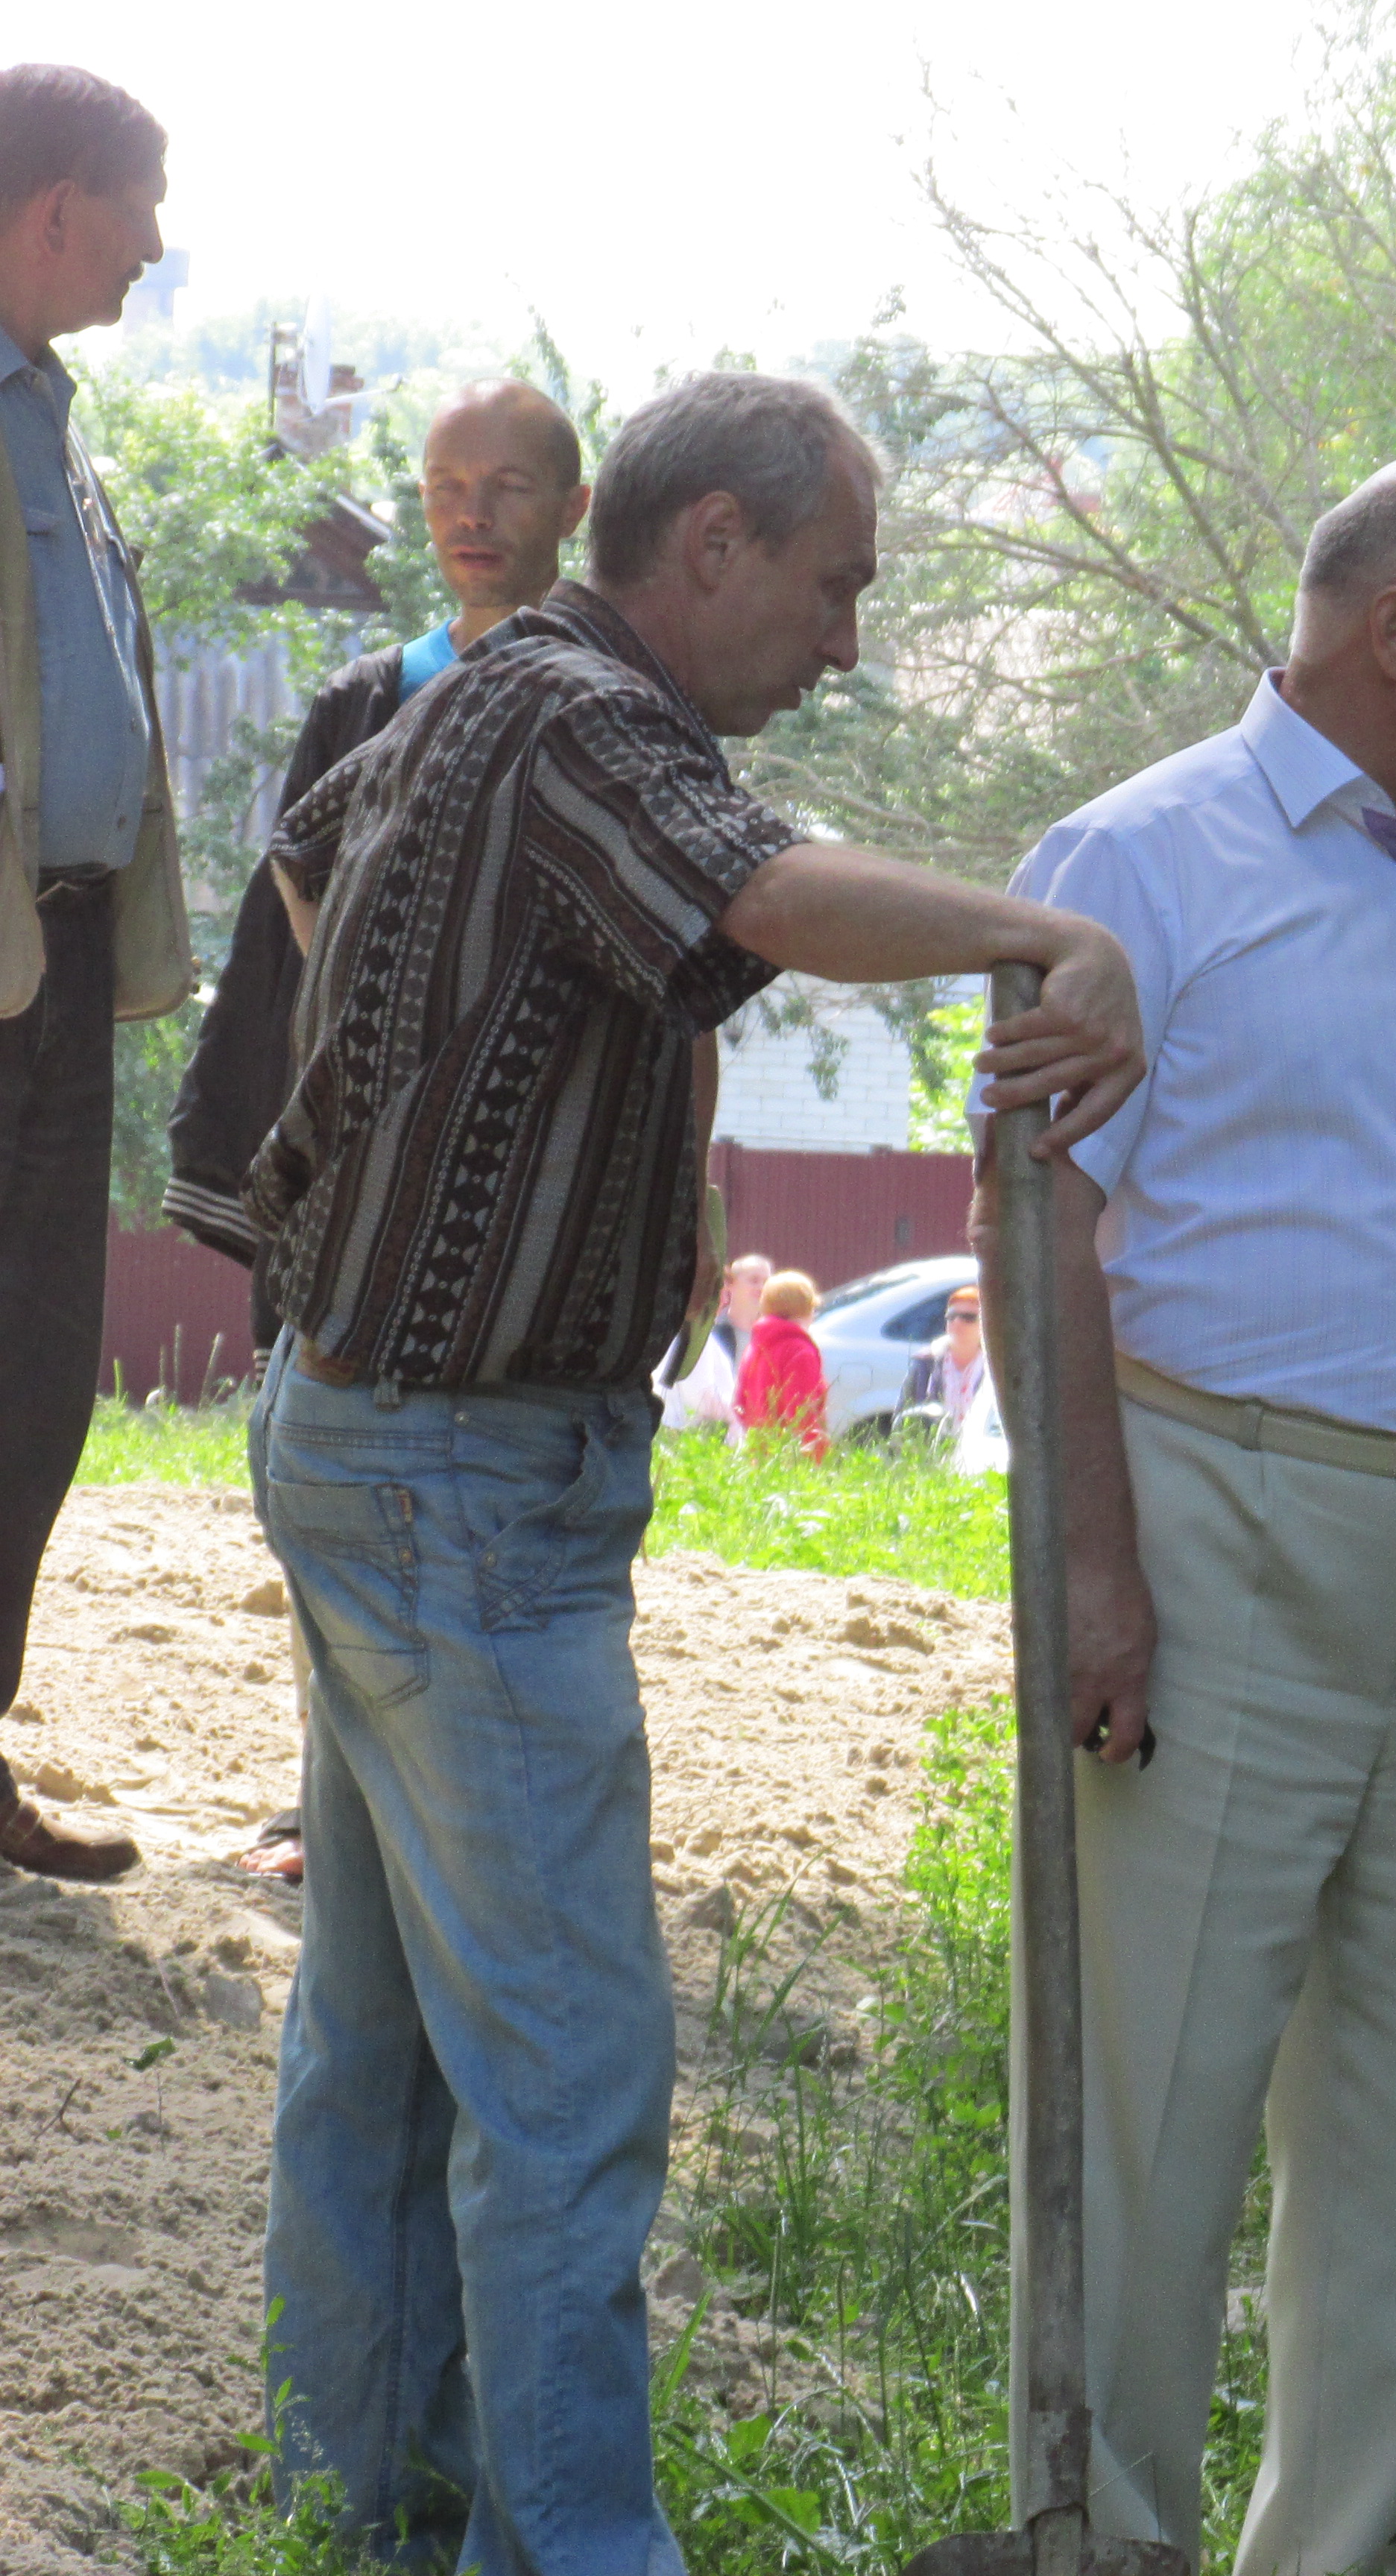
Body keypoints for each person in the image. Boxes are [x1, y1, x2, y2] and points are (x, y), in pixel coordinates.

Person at [246, 368, 1148, 2572]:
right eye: (833, 585)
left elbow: (308, 856)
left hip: (375, 1430)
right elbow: (762, 888)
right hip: (459, 1471)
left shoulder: (486, 695)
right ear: (714, 544)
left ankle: (359, 2515)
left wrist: (533, 1114)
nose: (845, 641)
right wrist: (1049, 935)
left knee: (390, 2046)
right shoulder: (578, 715)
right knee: (566, 2078)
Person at [997, 452, 1396, 2571]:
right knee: (1151, 2132)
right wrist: (1097, 1573)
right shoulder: (1138, 859)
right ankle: (1102, 2548)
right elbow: (1038, 1228)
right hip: (1226, 1539)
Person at [164, 379, 596, 1343]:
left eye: (507, 487)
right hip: (356, 1141)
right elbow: (288, 927)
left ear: (575, 508)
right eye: (446, 487)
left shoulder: (616, 702)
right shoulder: (369, 702)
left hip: (542, 1141)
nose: (472, 515)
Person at [0, 66, 180, 1890]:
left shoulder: (49, 417)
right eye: (142, 202)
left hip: (49, 960)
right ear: (61, 204)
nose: (157, 242)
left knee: (37, 1373)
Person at [657, 1248, 771, 1429]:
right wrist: (736, 1421)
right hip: (692, 1431)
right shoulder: (695, 1337)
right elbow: (700, 1395)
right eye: (720, 1293)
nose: (724, 1300)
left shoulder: (690, 1333)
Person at [733, 1267, 829, 1453]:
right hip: (790, 1456)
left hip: (759, 1453)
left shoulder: (755, 1346)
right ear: (808, 1307)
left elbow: (741, 1404)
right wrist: (816, 1457)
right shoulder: (799, 1350)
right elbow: (803, 1414)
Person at [900, 1278, 988, 1428]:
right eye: (951, 1316)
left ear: (985, 1323)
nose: (957, 1323)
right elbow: (904, 1415)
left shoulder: (995, 1365)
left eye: (968, 1318)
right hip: (935, 1441)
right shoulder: (925, 1362)